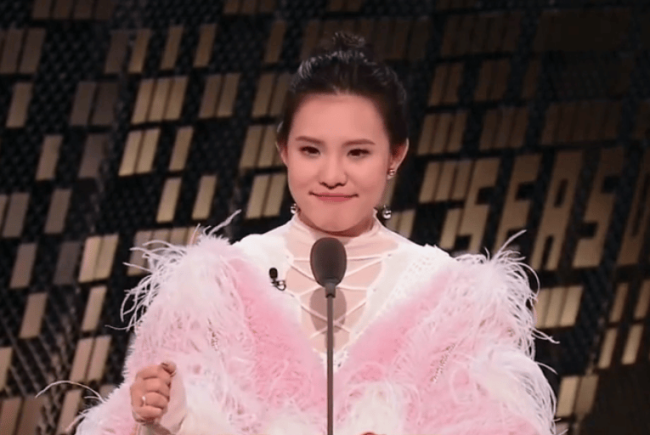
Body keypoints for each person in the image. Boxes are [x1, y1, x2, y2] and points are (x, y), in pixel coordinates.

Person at [73, 32, 557, 435]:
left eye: (357, 153)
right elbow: (135, 417)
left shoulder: (453, 303)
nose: (331, 175)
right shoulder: (216, 292)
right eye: (311, 150)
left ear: (396, 155)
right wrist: (170, 420)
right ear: (283, 150)